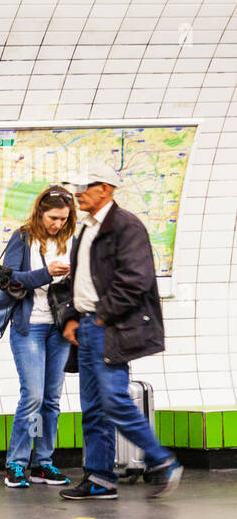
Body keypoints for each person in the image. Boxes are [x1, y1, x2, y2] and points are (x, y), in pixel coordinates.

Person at [57, 162, 182, 500]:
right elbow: (79, 279)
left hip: (108, 326)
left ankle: (162, 460)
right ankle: (100, 478)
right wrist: (71, 315)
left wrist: (101, 317)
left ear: (106, 189)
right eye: (77, 187)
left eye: (85, 187)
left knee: (112, 399)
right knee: (94, 406)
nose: (78, 194)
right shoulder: (86, 228)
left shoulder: (126, 226)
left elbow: (136, 280)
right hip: (87, 324)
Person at [1, 187, 77, 488]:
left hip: (58, 326)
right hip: (29, 326)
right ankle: (16, 464)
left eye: (63, 219)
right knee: (32, 396)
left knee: (51, 399)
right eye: (53, 217)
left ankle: (43, 462)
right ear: (40, 212)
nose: (57, 224)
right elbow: (8, 280)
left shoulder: (70, 239)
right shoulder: (23, 237)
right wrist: (46, 273)